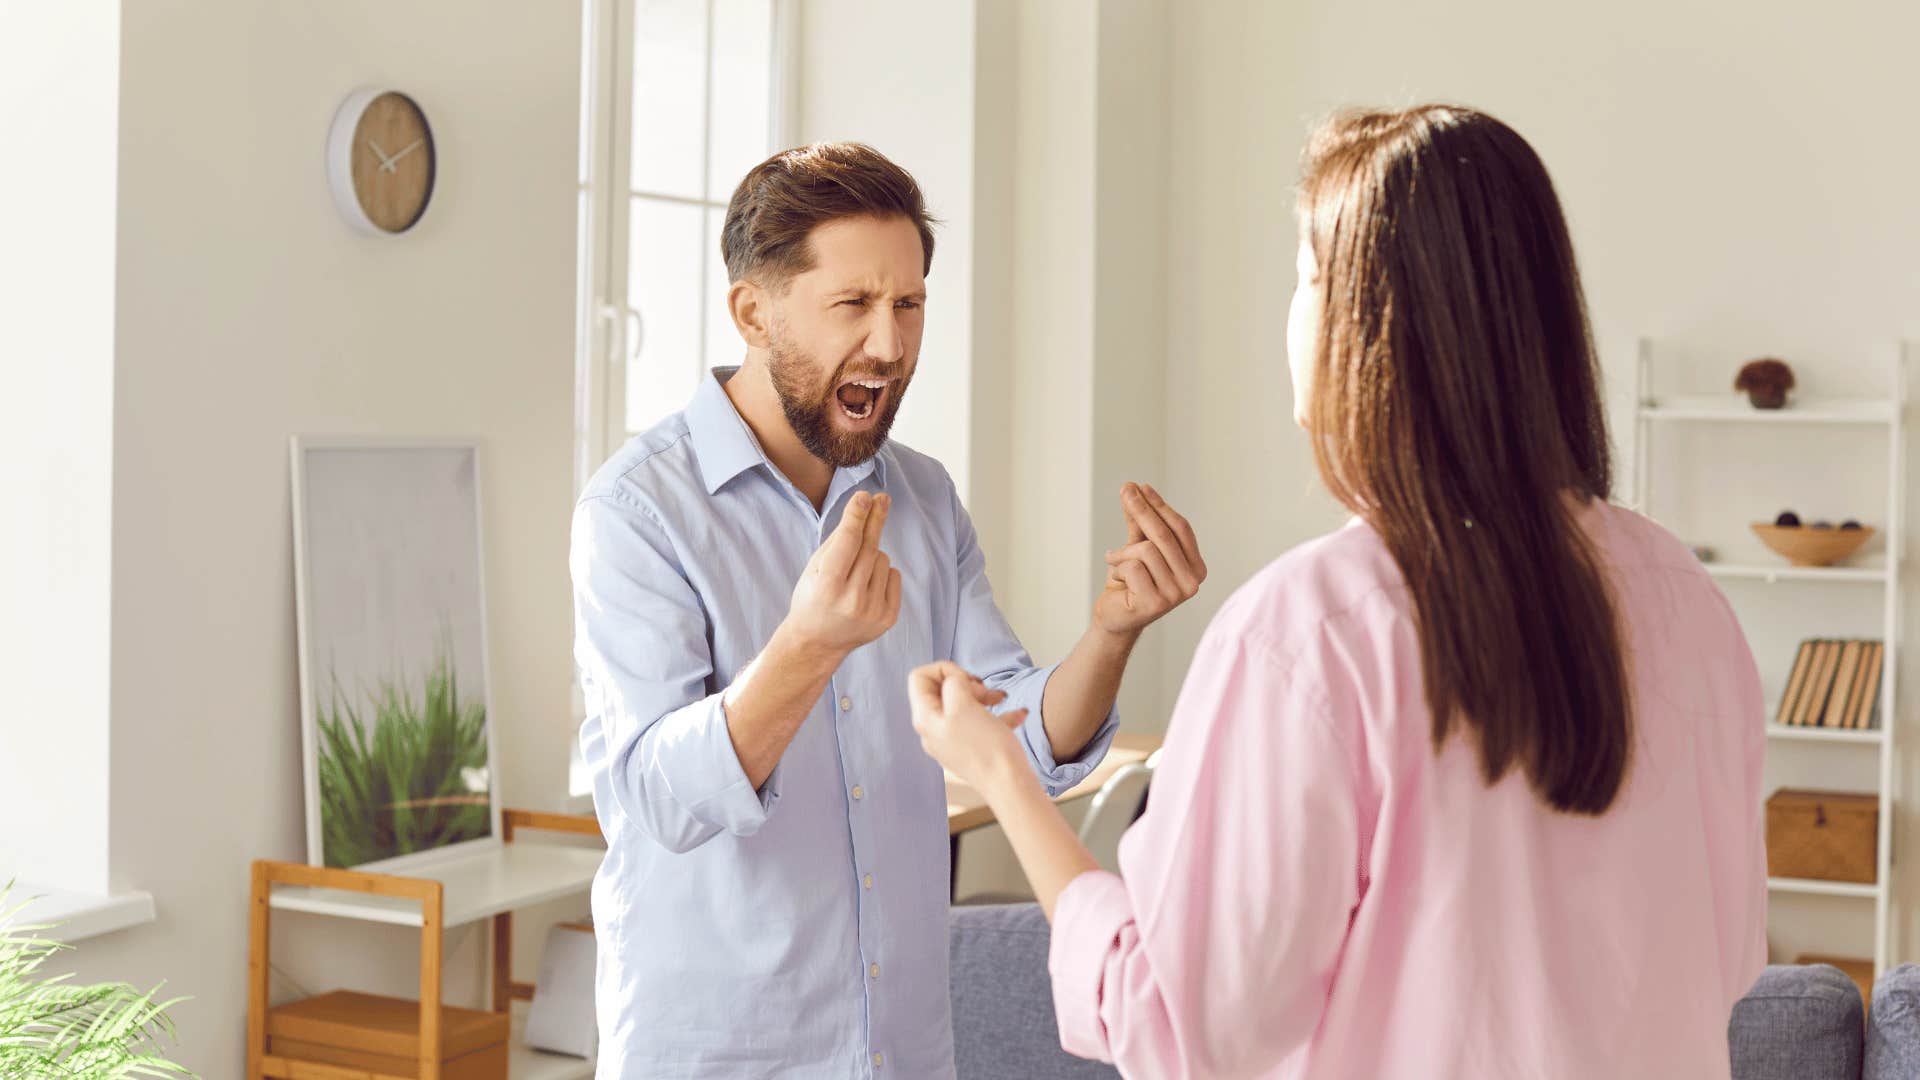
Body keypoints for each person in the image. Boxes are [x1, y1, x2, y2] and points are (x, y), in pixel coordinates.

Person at [912, 105, 1767, 1079]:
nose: (1294, 310)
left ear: (1370, 322)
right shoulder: (1686, 598)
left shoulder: (1309, 631)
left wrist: (1001, 775)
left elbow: (1173, 1027)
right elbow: (1731, 953)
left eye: (1308, 275)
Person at [571, 142, 1207, 1077]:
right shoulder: (637, 512)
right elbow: (656, 801)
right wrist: (806, 646)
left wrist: (1112, 632)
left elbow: (1016, 737)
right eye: (854, 305)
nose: (891, 343)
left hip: (901, 1048)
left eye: (908, 304)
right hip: (723, 1053)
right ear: (754, 310)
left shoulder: (923, 497)